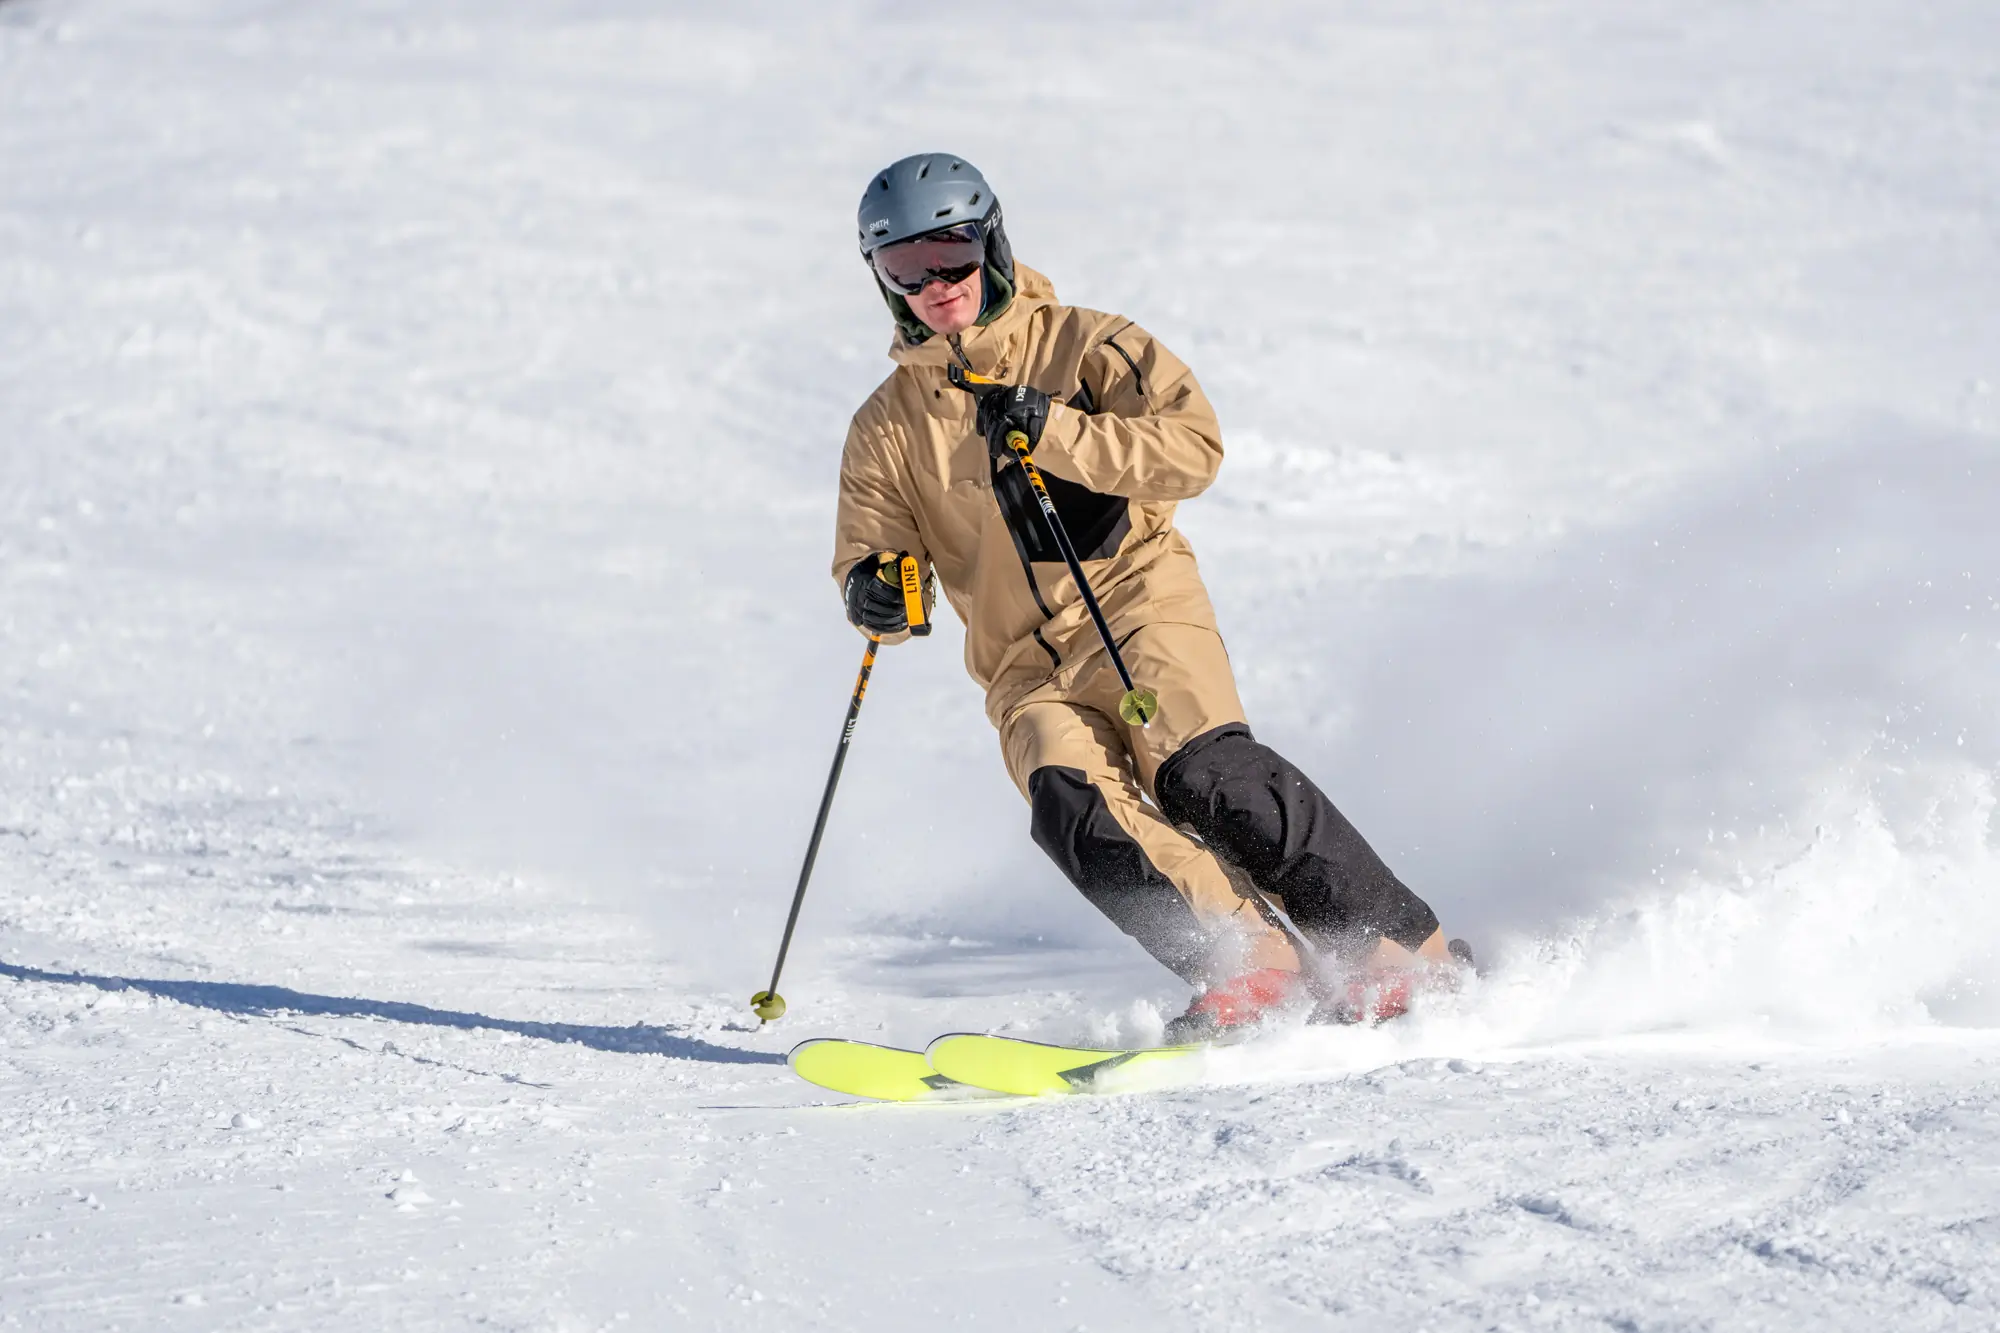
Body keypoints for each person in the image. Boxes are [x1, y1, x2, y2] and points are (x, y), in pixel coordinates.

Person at [835, 153, 1461, 1041]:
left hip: (1136, 603)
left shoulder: (1088, 346)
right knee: (1075, 809)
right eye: (904, 266)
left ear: (992, 242)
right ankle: (1254, 968)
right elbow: (878, 554)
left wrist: (1055, 430)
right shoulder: (886, 426)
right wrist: (877, 593)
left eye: (951, 251)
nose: (934, 282)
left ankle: (1400, 957)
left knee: (1201, 773)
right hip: (1022, 667)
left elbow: (1191, 450)